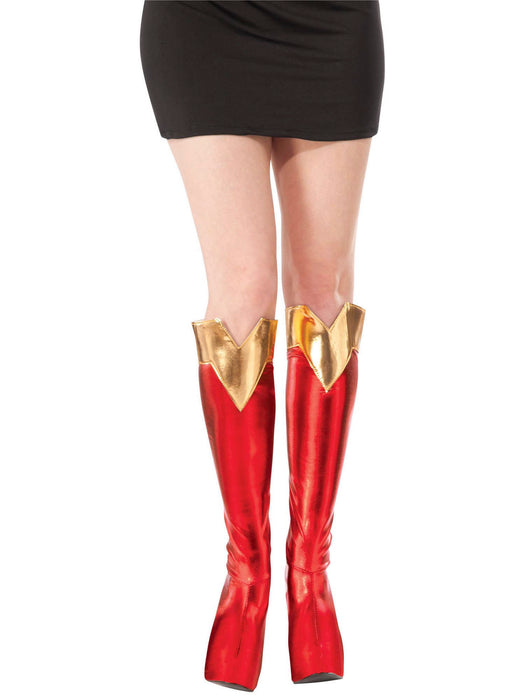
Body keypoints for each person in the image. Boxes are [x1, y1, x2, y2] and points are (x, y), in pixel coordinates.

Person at [140, 0, 384, 690]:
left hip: (328, 19)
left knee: (322, 290)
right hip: (203, 19)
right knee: (243, 292)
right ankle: (245, 577)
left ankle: (310, 574)